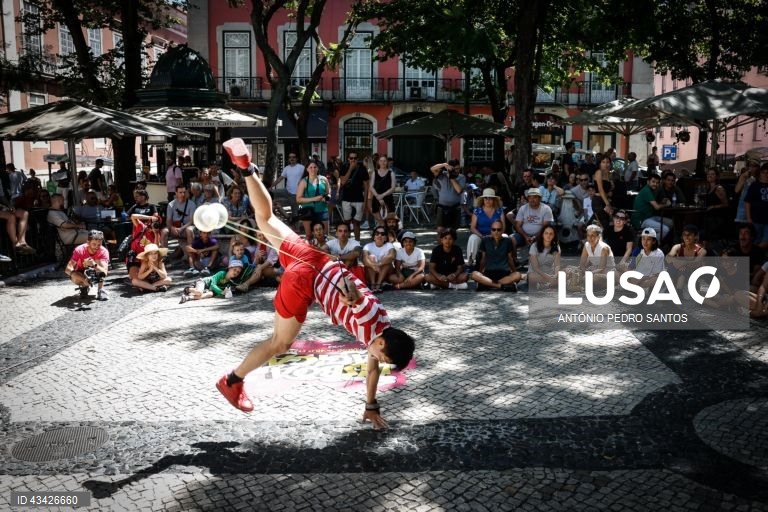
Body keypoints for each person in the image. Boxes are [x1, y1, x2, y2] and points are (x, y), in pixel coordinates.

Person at [215, 138, 415, 429]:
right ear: (382, 344)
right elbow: (357, 301)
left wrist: (371, 405)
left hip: (313, 259)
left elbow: (371, 368)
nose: (378, 362)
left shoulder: (381, 326)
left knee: (266, 218)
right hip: (304, 280)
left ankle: (247, 168)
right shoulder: (370, 323)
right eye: (383, 358)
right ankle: (232, 381)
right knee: (279, 344)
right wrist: (351, 294)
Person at [471, 220, 522, 291]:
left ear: (502, 230)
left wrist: (514, 272)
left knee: (518, 275)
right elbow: (483, 259)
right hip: (489, 273)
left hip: (504, 273)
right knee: (474, 274)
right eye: (493, 229)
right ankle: (501, 286)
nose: (496, 232)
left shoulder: (508, 241)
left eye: (499, 229)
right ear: (490, 230)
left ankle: (487, 284)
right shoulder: (485, 240)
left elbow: (510, 259)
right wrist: (480, 273)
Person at [65, 229, 109, 300]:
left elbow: (104, 272)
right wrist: (83, 279)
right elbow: (68, 269)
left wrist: (94, 264)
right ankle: (84, 286)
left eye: (99, 244)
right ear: (88, 243)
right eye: (94, 244)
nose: (97, 247)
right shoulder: (79, 250)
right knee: (74, 276)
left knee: (99, 266)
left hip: (95, 271)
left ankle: (100, 290)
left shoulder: (103, 251)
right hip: (81, 272)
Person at [467, 188, 505, 267]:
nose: (488, 200)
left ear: (494, 199)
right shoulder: (477, 211)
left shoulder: (499, 210)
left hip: (496, 234)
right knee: (472, 238)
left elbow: (503, 227)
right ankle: (471, 261)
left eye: (490, 198)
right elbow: (473, 228)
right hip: (480, 235)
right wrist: (482, 236)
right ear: (483, 199)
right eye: (486, 198)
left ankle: (506, 263)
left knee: (506, 237)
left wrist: (494, 235)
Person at [295, 161, 331, 240]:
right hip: (308, 211)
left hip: (322, 210)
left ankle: (323, 252)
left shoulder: (324, 179)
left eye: (315, 167)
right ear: (307, 169)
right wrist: (315, 199)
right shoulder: (303, 182)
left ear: (318, 168)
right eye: (310, 167)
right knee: (309, 236)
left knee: (325, 235)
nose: (313, 169)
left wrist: (326, 198)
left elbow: (329, 194)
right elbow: (298, 199)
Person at [632, 174, 673, 241]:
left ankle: (656, 240)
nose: (655, 184)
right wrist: (666, 204)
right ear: (648, 182)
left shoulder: (652, 190)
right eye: (653, 182)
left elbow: (655, 203)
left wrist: (663, 201)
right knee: (665, 229)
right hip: (642, 220)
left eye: (657, 183)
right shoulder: (646, 190)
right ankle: (652, 245)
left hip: (650, 217)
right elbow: (656, 207)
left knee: (671, 223)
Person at [338, 152, 369, 240]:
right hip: (346, 198)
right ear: (348, 159)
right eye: (351, 158)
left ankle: (357, 242)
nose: (353, 160)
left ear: (357, 159)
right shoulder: (344, 167)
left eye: (355, 158)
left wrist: (365, 202)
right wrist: (350, 169)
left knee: (357, 222)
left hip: (359, 198)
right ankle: (347, 242)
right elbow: (343, 182)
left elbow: (366, 186)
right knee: (347, 222)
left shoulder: (362, 168)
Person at [666, 224, 707, 289]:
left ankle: (678, 292)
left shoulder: (701, 251)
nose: (686, 237)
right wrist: (680, 263)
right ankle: (672, 290)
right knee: (672, 266)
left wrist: (682, 263)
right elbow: (668, 258)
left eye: (689, 235)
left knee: (683, 269)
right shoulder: (677, 247)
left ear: (695, 236)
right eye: (684, 235)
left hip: (691, 277)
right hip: (676, 274)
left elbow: (695, 263)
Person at [429, 159, 465, 230]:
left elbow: (459, 190)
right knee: (440, 230)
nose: (457, 171)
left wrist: (451, 178)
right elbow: (432, 169)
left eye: (458, 168)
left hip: (455, 207)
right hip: (442, 207)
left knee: (452, 231)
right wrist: (444, 165)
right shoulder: (442, 175)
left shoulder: (461, 177)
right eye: (454, 169)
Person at [0, 188, 35, 254]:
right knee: (11, 216)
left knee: (24, 214)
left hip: (3, 208)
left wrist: (9, 205)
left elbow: (2, 196)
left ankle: (22, 242)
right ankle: (16, 244)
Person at [362, 226, 397, 292]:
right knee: (371, 257)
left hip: (385, 273)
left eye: (382, 234)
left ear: (386, 237)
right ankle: (372, 284)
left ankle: (379, 284)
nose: (379, 235)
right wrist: (373, 266)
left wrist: (378, 264)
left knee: (387, 259)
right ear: (374, 236)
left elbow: (392, 256)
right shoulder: (367, 246)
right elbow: (364, 260)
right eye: (377, 233)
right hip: (371, 273)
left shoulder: (389, 245)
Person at [272, 152, 305, 219]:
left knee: (295, 213)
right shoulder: (286, 168)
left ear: (297, 158)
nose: (292, 158)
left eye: (293, 157)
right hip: (286, 191)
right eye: (290, 157)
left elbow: (307, 177)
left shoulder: (301, 167)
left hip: (296, 194)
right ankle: (284, 215)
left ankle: (295, 226)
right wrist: (271, 186)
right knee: (271, 192)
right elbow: (280, 179)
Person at [163, 185, 196, 249]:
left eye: (184, 192)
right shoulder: (171, 204)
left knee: (189, 230)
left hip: (185, 227)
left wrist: (181, 228)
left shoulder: (192, 204)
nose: (183, 194)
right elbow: (168, 220)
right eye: (180, 192)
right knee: (164, 231)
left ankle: (191, 255)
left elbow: (192, 221)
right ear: (176, 193)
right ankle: (164, 256)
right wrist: (172, 228)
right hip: (174, 228)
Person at [745, 163, 768, 249]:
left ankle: (757, 256)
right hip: (756, 220)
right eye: (764, 172)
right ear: (760, 173)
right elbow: (747, 202)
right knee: (755, 240)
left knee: (766, 241)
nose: (766, 175)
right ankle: (755, 258)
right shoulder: (754, 185)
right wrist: (749, 218)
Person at [369, 155, 397, 226]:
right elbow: (371, 186)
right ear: (378, 162)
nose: (383, 162)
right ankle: (381, 233)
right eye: (381, 161)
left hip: (388, 199)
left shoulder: (391, 173)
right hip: (376, 199)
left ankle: (387, 234)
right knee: (379, 221)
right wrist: (377, 196)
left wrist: (382, 195)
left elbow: (393, 188)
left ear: (387, 162)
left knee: (388, 221)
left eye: (384, 161)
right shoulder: (374, 173)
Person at [591, 155, 614, 229]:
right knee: (604, 225)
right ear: (600, 163)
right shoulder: (599, 172)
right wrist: (607, 204)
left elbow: (609, 189)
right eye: (603, 162)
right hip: (598, 201)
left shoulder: (609, 174)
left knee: (605, 224)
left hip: (605, 200)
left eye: (607, 162)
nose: (606, 164)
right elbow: (600, 189)